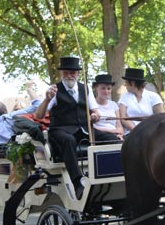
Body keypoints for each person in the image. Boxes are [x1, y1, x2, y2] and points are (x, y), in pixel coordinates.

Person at [36, 56, 118, 198]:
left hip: (85, 129)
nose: (69, 75)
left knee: (113, 139)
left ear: (78, 74)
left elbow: (95, 111)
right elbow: (39, 115)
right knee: (69, 140)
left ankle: (115, 174)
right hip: (60, 130)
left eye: (72, 73)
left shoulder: (84, 88)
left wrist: (95, 116)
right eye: (66, 72)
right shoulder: (54, 90)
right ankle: (77, 182)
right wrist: (47, 99)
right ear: (61, 73)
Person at [118, 68, 163, 134]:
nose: (125, 85)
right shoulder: (124, 97)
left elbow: (160, 118)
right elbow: (123, 118)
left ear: (132, 83)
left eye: (126, 82)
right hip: (131, 133)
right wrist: (136, 130)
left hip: (151, 133)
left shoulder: (154, 97)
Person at [90, 73, 123, 139]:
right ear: (96, 88)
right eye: (103, 88)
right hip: (99, 136)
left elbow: (119, 125)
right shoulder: (91, 104)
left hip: (115, 136)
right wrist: (111, 131)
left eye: (109, 88)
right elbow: (91, 126)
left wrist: (120, 134)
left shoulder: (114, 105)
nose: (106, 91)